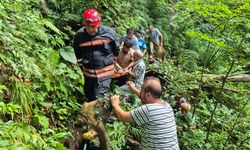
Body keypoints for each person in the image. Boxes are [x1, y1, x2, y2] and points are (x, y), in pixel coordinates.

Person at [111, 77, 179, 150]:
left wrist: (115, 104)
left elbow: (123, 116)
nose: (140, 92)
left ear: (148, 95)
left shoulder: (148, 110)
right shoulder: (166, 105)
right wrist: (133, 89)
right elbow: (144, 97)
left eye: (141, 89)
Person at [74, 9, 120, 101]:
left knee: (100, 97)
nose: (90, 29)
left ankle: (100, 114)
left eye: (93, 26)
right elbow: (77, 53)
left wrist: (113, 63)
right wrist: (82, 66)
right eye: (88, 26)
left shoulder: (109, 33)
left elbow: (116, 50)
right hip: (89, 73)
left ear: (99, 24)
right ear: (84, 23)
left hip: (106, 72)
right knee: (89, 95)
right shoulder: (79, 36)